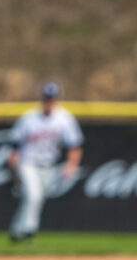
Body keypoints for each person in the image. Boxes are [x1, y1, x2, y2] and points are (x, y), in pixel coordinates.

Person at [6, 81, 84, 242]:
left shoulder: (64, 118)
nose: (49, 102)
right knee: (34, 195)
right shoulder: (28, 118)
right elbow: (14, 144)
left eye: (52, 98)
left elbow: (75, 145)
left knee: (35, 198)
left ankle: (16, 231)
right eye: (47, 98)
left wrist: (71, 165)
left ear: (57, 99)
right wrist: (13, 164)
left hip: (49, 165)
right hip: (28, 163)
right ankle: (29, 231)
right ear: (42, 98)